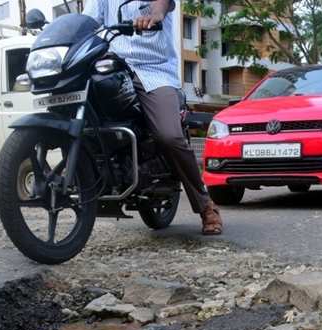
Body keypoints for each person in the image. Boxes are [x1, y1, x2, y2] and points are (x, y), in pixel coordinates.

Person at [84, 0, 223, 235]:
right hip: (112, 67)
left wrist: (155, 14)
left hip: (153, 70)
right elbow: (86, 21)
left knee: (168, 136)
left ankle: (205, 205)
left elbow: (164, 4)